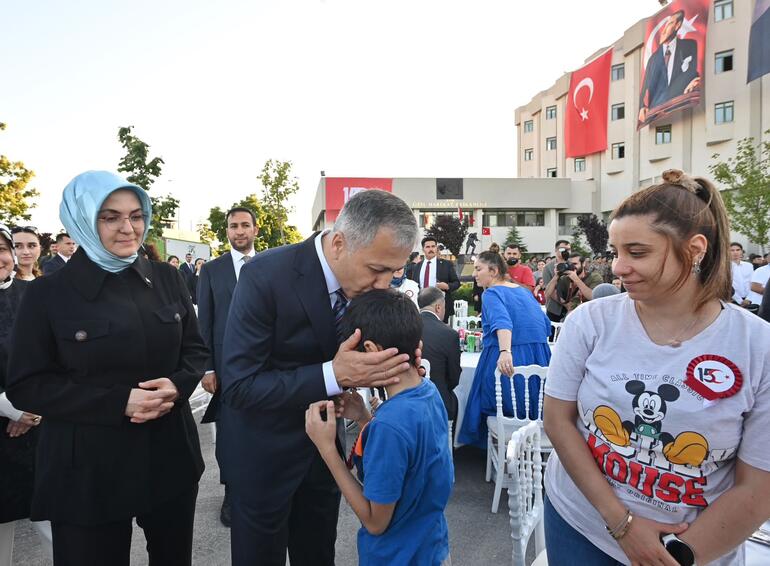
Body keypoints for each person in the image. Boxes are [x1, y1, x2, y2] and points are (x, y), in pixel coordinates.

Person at [543, 169, 770, 566]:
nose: (617, 267)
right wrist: (623, 525)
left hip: (694, 548)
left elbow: (758, 485)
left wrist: (678, 555)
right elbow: (558, 421)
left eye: (637, 252)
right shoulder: (591, 322)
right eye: (615, 252)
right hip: (582, 525)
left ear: (695, 249)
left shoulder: (757, 345)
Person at [6, 171, 208, 566]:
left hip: (169, 456)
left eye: (136, 215)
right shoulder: (48, 294)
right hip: (87, 469)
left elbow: (195, 350)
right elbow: (27, 384)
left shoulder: (167, 278)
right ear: (80, 220)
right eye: (110, 217)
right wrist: (120, 402)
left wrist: (178, 385)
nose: (128, 228)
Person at [220, 189, 421, 566]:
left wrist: (399, 361)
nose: (384, 285)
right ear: (340, 243)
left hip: (324, 458)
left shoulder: (369, 286)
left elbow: (370, 353)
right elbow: (239, 386)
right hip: (262, 459)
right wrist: (333, 374)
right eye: (377, 270)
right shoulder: (265, 275)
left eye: (394, 273)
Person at [305, 289, 453, 566]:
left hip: (398, 557)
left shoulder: (390, 425)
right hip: (432, 548)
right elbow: (410, 461)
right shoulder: (427, 391)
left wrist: (327, 449)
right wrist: (364, 418)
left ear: (371, 350)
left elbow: (375, 522)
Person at [196, 206, 258, 527]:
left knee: (262, 431)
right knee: (230, 435)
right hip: (225, 368)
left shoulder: (269, 265)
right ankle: (232, 493)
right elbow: (203, 322)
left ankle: (260, 489)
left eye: (245, 225)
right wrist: (207, 368)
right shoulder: (212, 270)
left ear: (255, 230)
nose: (239, 231)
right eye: (233, 226)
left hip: (264, 367)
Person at [457, 251, 552, 448]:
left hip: (509, 353)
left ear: (493, 271)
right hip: (539, 356)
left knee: (495, 397)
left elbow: (503, 322)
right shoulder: (523, 291)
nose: (475, 274)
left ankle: (502, 448)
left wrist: (505, 351)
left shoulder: (491, 293)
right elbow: (545, 324)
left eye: (478, 269)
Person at [0, 224, 51, 566]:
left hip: (38, 425)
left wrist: (31, 408)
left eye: (2, 249)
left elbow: (54, 355)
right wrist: (8, 407)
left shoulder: (30, 294)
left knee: (55, 515)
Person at [638, 10, 701, 125]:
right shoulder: (653, 60)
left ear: (678, 25)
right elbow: (644, 88)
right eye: (664, 25)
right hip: (657, 112)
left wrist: (695, 80)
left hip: (681, 105)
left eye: (669, 24)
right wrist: (642, 107)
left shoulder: (689, 46)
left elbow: (693, 71)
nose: (664, 29)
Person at [418, 287, 461, 421]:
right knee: (453, 400)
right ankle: (449, 441)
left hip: (404, 397)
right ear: (438, 307)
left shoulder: (403, 327)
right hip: (437, 401)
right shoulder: (449, 334)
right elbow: (454, 378)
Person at [409, 236, 461, 322]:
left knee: (441, 334)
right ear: (423, 249)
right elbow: (414, 285)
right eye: (428, 247)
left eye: (433, 246)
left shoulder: (446, 264)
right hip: (420, 306)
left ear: (436, 248)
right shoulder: (417, 266)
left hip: (440, 306)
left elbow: (456, 283)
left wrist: (447, 286)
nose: (431, 249)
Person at [545, 252, 603, 318]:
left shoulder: (595, 277)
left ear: (583, 264)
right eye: (570, 264)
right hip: (571, 315)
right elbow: (547, 294)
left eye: (575, 264)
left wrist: (576, 279)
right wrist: (556, 276)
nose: (572, 267)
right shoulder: (565, 278)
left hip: (589, 314)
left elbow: (592, 296)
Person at [542, 239, 571, 322]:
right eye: (563, 249)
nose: (566, 251)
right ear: (556, 250)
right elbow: (549, 291)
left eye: (568, 249)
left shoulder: (573, 264)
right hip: (554, 308)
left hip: (573, 306)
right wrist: (566, 304)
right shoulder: (548, 268)